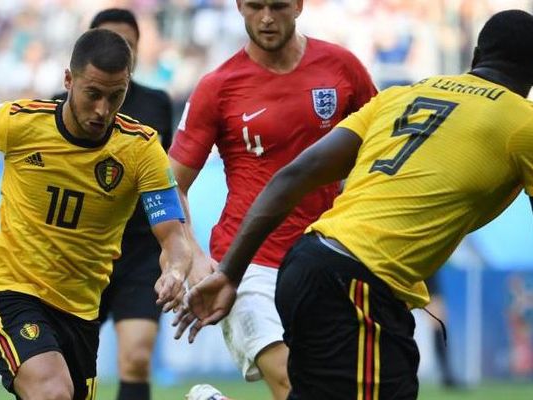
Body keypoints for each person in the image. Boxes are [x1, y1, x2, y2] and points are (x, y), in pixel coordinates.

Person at [175, 9, 533, 399]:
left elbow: (294, 175)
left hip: (313, 260)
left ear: (476, 56)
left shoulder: (404, 95)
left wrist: (229, 272)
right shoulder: (523, 124)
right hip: (355, 280)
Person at [0, 29, 190, 400]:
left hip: (81, 313)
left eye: (115, 96)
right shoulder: (21, 122)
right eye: (93, 94)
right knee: (54, 392)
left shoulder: (141, 148)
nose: (103, 109)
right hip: (11, 292)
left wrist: (176, 269)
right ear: (68, 80)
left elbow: (172, 235)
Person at [169, 1, 376, 399]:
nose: (266, 17)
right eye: (255, 6)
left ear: (298, 6)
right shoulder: (219, 86)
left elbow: (382, 145)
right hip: (247, 263)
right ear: (239, 7)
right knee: (289, 383)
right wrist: (191, 254)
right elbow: (170, 184)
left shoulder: (342, 67)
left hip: (325, 259)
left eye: (278, 5)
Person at [53, 9, 173, 400]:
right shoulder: (54, 109)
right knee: (65, 372)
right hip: (79, 252)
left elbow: (166, 183)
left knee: (136, 358)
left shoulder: (156, 104)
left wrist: (178, 247)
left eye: (128, 46)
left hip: (138, 252)